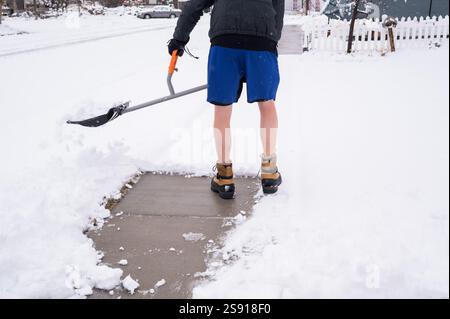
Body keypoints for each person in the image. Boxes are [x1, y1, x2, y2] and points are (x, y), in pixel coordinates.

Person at [168, 0, 284, 199]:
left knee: (222, 108)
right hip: (262, 44)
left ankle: (224, 176)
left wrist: (179, 39)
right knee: (266, 104)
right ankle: (270, 171)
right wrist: (270, 40)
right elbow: (278, 11)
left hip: (225, 43)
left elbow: (194, 6)